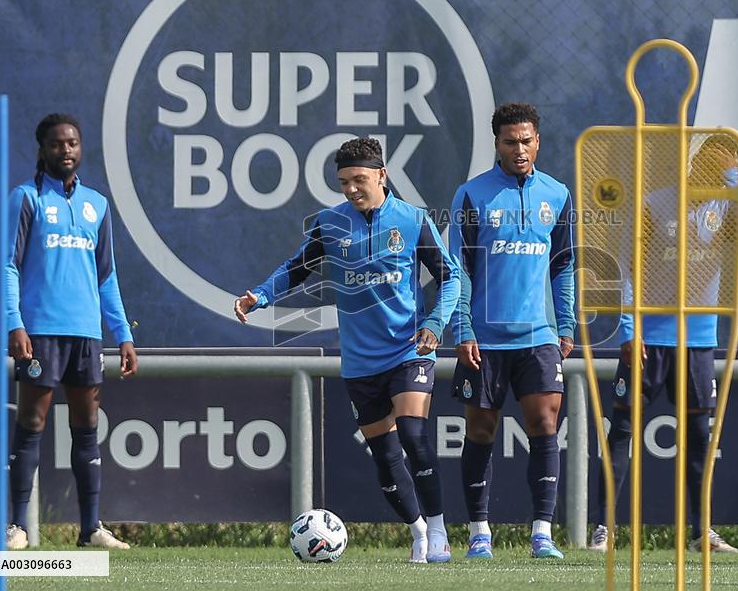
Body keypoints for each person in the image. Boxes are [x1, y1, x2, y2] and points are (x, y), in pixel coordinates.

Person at [234, 137, 459, 563]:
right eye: (343, 182)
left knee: (413, 433)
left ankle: (439, 531)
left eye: (359, 180)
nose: (352, 189)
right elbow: (295, 270)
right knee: (385, 455)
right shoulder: (330, 223)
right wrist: (259, 296)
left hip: (409, 350)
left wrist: (434, 323)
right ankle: (416, 532)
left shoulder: (412, 220)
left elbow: (451, 277)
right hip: (360, 361)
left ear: (381, 175)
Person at [589, 135, 738, 553]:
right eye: (712, 164)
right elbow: (629, 271)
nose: (715, 173)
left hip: (699, 341)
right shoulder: (655, 204)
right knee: (623, 432)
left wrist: (735, 180)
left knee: (699, 438)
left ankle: (702, 532)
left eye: (725, 167)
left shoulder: (726, 204)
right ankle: (604, 529)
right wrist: (630, 332)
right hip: (650, 341)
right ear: (694, 164)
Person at [5, 113, 137, 550]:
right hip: (40, 331)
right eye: (58, 144)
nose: (67, 150)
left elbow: (106, 276)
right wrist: (15, 323)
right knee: (32, 422)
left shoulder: (96, 204)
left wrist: (121, 333)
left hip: (86, 334)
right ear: (42, 150)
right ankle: (17, 527)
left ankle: (91, 530)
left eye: (73, 143)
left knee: (87, 426)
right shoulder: (26, 199)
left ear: (82, 149)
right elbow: (8, 265)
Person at [449, 102, 575, 559]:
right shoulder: (471, 194)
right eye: (509, 142)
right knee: (481, 429)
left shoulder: (558, 194)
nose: (519, 149)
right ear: (496, 144)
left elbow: (564, 264)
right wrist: (463, 327)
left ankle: (542, 532)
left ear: (538, 141)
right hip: (483, 337)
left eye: (526, 141)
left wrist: (566, 322)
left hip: (539, 336)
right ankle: (479, 531)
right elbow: (457, 267)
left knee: (544, 423)